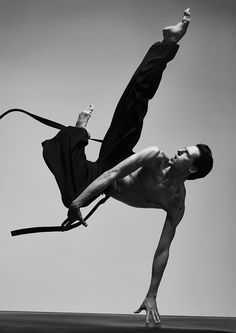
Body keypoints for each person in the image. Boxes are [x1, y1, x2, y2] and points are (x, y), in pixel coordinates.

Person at [42, 8, 213, 324]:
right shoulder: (155, 156)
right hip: (115, 159)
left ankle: (78, 133)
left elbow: (163, 249)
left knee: (71, 192)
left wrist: (152, 293)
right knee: (136, 100)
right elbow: (111, 172)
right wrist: (81, 202)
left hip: (104, 184)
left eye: (185, 154)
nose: (177, 152)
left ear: (192, 170)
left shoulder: (175, 203)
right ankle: (168, 42)